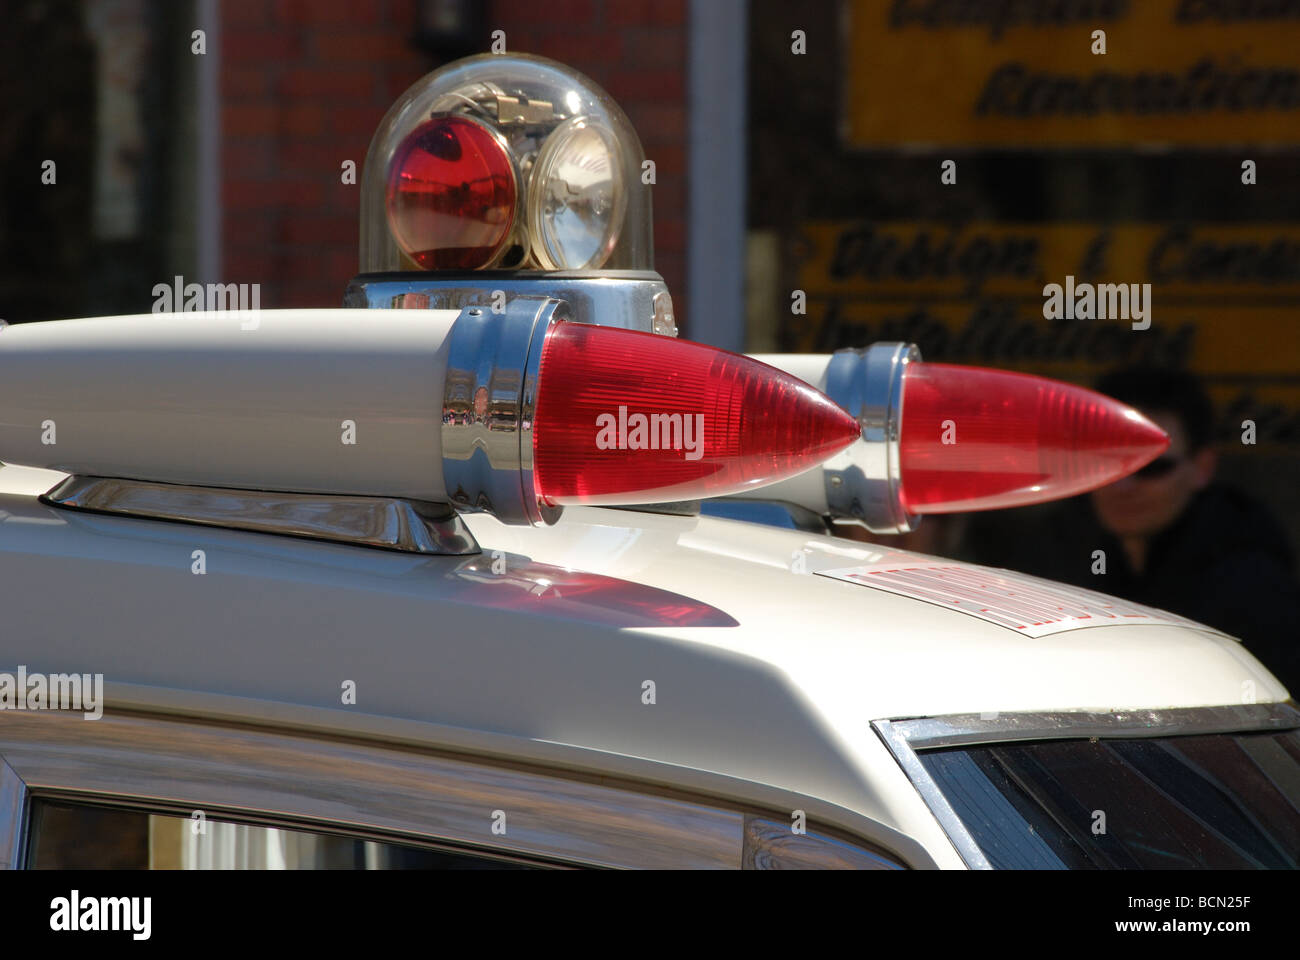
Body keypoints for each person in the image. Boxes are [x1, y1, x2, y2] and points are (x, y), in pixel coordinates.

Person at [959, 367, 1300, 693]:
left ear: (1203, 467)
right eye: (1108, 462)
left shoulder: (1252, 585)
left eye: (1152, 466)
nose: (1124, 485)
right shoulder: (1057, 547)